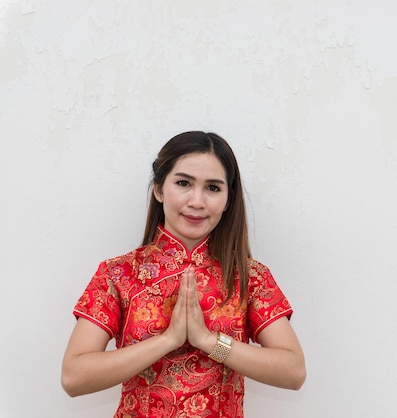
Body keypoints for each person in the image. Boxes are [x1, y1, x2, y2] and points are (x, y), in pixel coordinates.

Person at [62, 131, 306, 417]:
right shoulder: (119, 273)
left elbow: (294, 371)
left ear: (228, 199)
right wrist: (167, 340)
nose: (197, 201)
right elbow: (73, 377)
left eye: (213, 188)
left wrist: (210, 341)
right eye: (183, 183)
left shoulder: (249, 277)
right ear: (159, 189)